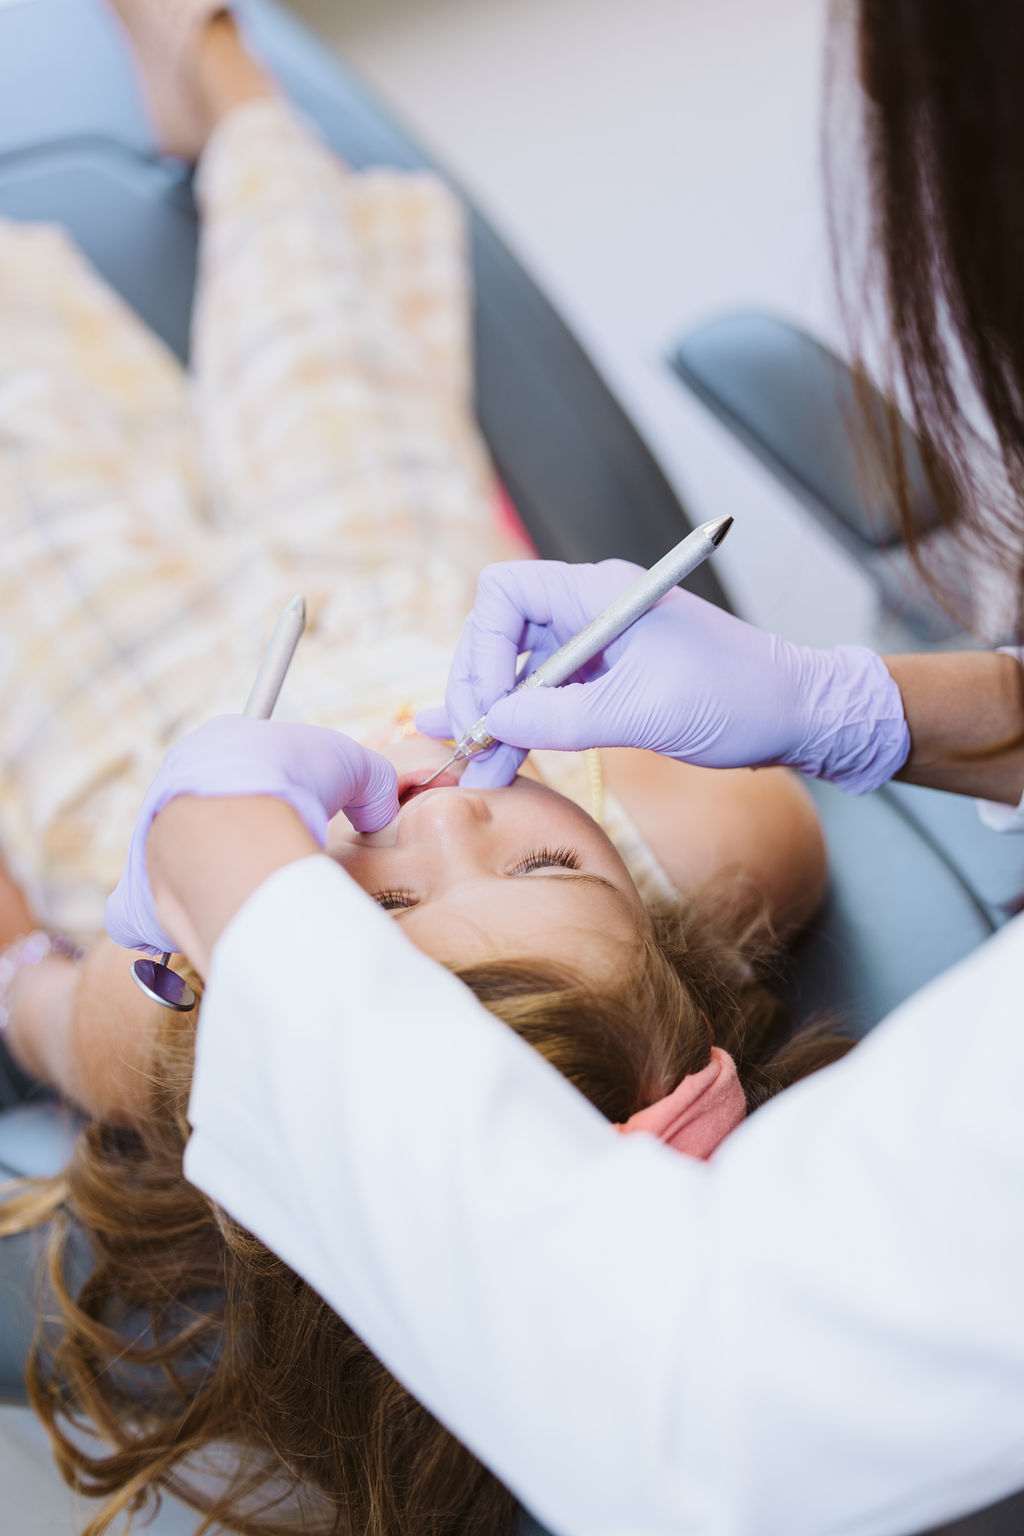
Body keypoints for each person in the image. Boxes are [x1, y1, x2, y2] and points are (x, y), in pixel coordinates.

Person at [97, 3, 1024, 1535]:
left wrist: (216, 902)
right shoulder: (656, 845)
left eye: (375, 913)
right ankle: (230, 98)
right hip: (394, 584)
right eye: (539, 857)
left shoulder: (168, 983)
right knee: (328, 352)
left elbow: (687, 1398)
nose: (451, 814)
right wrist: (874, 707)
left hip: (100, 701)